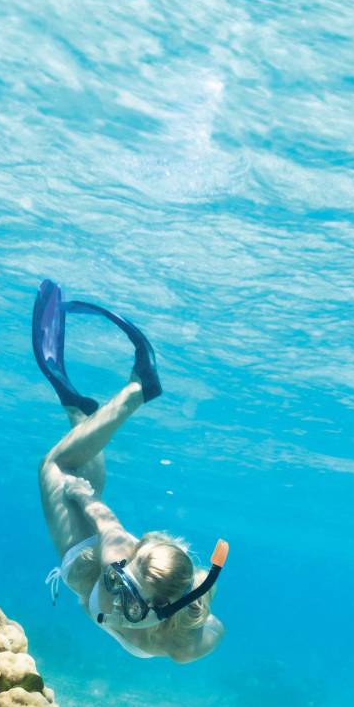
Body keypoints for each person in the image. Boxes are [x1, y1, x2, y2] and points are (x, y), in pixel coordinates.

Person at [32, 279, 227, 663]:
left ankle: (82, 415)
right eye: (121, 583)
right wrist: (83, 497)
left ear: (171, 611)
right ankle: (138, 389)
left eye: (133, 601)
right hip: (83, 556)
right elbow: (107, 525)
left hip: (129, 577)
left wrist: (199, 600)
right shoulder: (115, 560)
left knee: (74, 459)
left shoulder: (185, 645)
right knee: (56, 466)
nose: (120, 602)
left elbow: (215, 629)